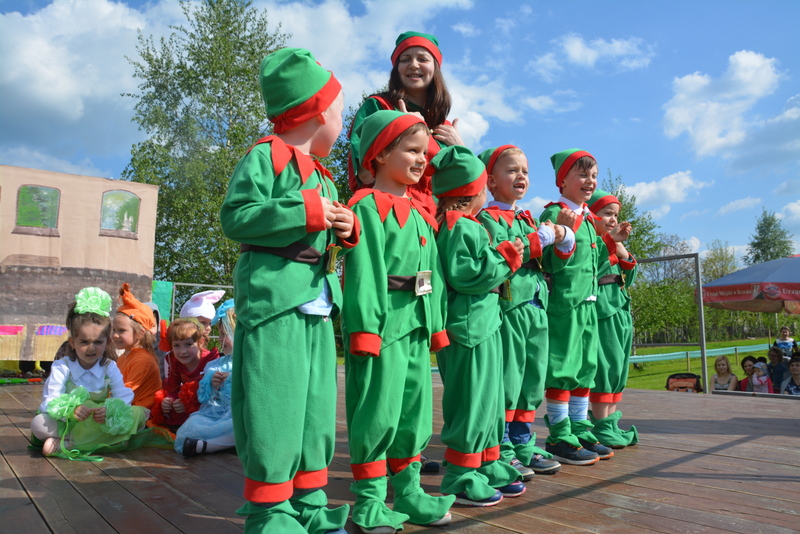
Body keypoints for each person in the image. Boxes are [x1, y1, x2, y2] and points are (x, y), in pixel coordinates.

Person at [219, 48, 358, 534]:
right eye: (340, 112)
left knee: (315, 407)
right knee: (274, 402)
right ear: (317, 112)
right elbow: (236, 217)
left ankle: (309, 500)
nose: (341, 123)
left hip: (317, 303)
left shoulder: (323, 176)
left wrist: (346, 228)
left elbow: (324, 231)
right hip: (275, 302)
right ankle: (269, 510)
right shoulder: (265, 157)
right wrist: (308, 210)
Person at [343, 109, 454, 533]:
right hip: (384, 326)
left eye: (424, 152)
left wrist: (436, 324)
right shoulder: (365, 207)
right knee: (377, 410)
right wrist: (365, 329)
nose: (422, 159)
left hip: (416, 326)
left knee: (414, 412)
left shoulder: (422, 215)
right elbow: (364, 272)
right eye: (411, 150)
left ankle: (409, 492)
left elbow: (433, 276)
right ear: (380, 153)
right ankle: (370, 501)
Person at [433, 145, 527, 507]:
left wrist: (501, 257)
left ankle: (486, 460)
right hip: (468, 328)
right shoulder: (457, 226)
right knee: (471, 402)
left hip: (485, 323)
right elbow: (466, 275)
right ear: (470, 191)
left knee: (489, 399)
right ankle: (460, 474)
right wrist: (506, 257)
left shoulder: (468, 225)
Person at [475, 145, 565, 480]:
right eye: (512, 170)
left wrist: (563, 241)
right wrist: (539, 239)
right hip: (510, 306)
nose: (521, 176)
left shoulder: (528, 218)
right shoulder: (487, 219)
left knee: (532, 379)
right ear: (491, 181)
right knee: (509, 379)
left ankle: (524, 443)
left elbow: (549, 263)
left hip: (537, 304)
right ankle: (502, 447)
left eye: (525, 171)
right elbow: (508, 252)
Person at [538, 149, 613, 466]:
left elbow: (598, 263)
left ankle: (580, 428)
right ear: (562, 181)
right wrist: (561, 237)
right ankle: (559, 435)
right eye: (582, 174)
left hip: (588, 303)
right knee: (563, 368)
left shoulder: (590, 219)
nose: (590, 181)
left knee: (585, 368)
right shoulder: (554, 213)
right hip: (565, 304)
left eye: (593, 175)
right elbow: (546, 263)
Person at [348, 31, 463, 216]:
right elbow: (365, 174)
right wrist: (403, 130)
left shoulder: (446, 128)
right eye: (405, 59)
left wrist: (461, 150)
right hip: (388, 212)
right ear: (397, 69)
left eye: (422, 59)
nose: (414, 65)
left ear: (435, 68)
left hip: (434, 222)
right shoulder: (378, 107)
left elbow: (465, 192)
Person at [31, 287, 147, 457]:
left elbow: (123, 395)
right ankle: (107, 441)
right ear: (72, 342)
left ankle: (67, 444)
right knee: (39, 423)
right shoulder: (62, 366)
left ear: (107, 342)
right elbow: (50, 400)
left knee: (139, 415)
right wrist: (71, 411)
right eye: (84, 342)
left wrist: (108, 411)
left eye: (98, 342)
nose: (91, 348)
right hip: (71, 423)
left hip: (98, 420)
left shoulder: (109, 366)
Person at [586, 189, 639, 449]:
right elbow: (589, 269)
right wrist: (610, 243)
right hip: (602, 310)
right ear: (591, 215)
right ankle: (600, 424)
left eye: (616, 215)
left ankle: (610, 422)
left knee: (618, 366)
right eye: (607, 213)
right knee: (605, 366)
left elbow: (629, 277)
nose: (613, 219)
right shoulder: (589, 242)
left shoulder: (613, 243)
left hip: (620, 308)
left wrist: (623, 251)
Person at [176, 299, 236, 456]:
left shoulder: (249, 364)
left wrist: (233, 379)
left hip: (237, 413)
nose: (220, 339)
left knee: (242, 425)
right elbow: (202, 398)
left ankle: (207, 446)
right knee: (193, 424)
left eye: (225, 334)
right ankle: (216, 444)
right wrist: (211, 384)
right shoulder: (215, 365)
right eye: (220, 334)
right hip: (215, 414)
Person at [148, 318, 219, 432]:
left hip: (208, 405)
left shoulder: (210, 361)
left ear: (200, 342)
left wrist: (188, 403)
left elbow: (213, 392)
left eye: (188, 344)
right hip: (186, 407)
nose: (183, 351)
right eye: (177, 345)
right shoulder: (175, 361)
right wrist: (169, 400)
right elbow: (173, 387)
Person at [114, 284, 162, 410]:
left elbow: (125, 393)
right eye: (114, 330)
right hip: (126, 408)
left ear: (140, 333)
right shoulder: (123, 357)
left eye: (121, 330)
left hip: (142, 414)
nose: (115, 335)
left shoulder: (143, 360)